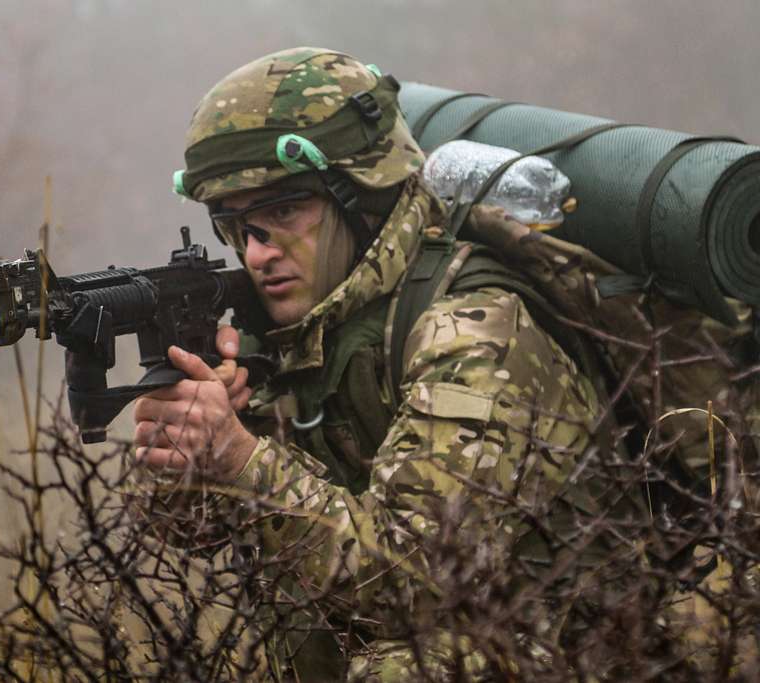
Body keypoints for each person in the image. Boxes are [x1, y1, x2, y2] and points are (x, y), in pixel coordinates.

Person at [131, 47, 635, 681]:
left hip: (587, 647)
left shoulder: (473, 331)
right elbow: (189, 538)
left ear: (360, 198)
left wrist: (243, 460)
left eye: (284, 212)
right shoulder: (301, 331)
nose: (256, 254)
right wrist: (183, 459)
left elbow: (420, 584)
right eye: (236, 225)